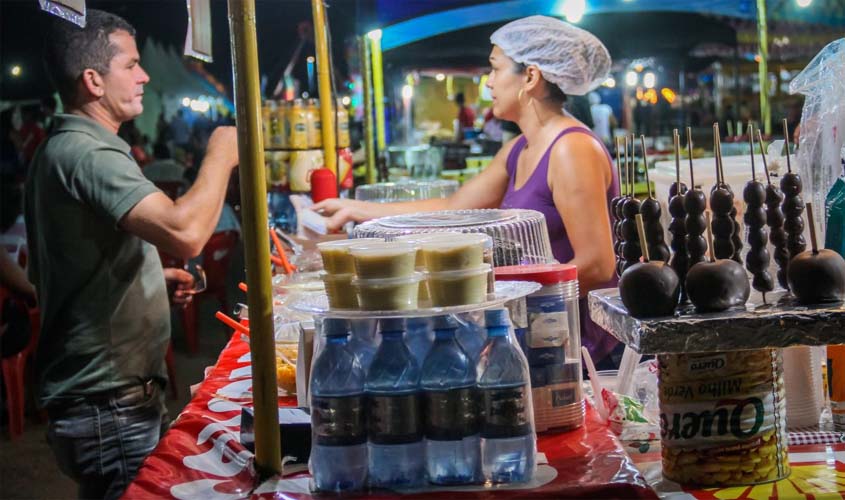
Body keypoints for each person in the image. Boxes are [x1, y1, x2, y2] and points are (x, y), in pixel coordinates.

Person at [314, 16, 620, 368]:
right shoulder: (520, 148)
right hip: (534, 335)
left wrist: (493, 289)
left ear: (531, 77)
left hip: (576, 348)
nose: (487, 82)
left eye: (495, 69)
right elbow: (453, 208)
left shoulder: (570, 150)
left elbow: (597, 265)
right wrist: (355, 209)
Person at [26, 10, 239, 498]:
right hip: (108, 406)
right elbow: (185, 232)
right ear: (94, 80)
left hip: (105, 401)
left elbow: (69, 265)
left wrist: (147, 280)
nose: (144, 76)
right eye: (132, 64)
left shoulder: (72, 146)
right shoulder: (87, 151)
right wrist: (221, 154)